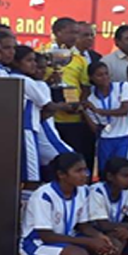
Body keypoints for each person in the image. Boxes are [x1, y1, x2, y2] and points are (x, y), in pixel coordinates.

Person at [19, 153, 122, 255]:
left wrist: (99, 236)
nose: (85, 174)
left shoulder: (81, 191)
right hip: (36, 244)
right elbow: (46, 236)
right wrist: (89, 241)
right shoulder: (43, 195)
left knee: (113, 245)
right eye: (78, 171)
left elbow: (83, 225)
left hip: (65, 239)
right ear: (61, 174)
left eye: (85, 170)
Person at [10, 46, 75, 188]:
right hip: (29, 129)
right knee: (32, 176)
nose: (35, 66)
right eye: (29, 61)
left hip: (26, 130)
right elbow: (47, 107)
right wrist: (66, 107)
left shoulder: (12, 77)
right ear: (16, 62)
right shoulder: (25, 81)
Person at [45, 18, 95, 171]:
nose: (74, 37)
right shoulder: (42, 54)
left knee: (74, 159)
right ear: (57, 32)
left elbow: (86, 87)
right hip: (49, 118)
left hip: (73, 119)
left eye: (76, 33)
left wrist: (78, 104)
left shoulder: (80, 59)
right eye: (71, 32)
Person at [83, 62, 128, 175]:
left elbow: (124, 110)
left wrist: (99, 111)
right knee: (105, 171)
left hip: (126, 135)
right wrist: (84, 111)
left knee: (123, 169)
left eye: (106, 73)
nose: (104, 77)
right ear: (91, 78)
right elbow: (95, 128)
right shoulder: (91, 99)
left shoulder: (123, 86)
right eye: (99, 75)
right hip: (105, 138)